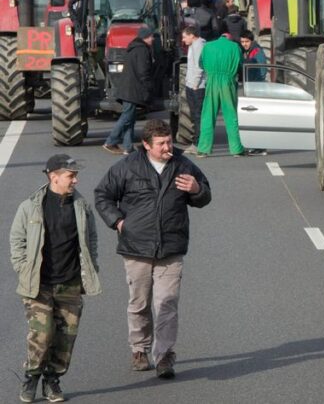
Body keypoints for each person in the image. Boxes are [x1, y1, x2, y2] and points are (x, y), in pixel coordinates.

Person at [94, 120, 211, 379]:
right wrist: (118, 222)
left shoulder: (184, 165)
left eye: (169, 141)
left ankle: (164, 356)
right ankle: (139, 349)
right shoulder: (127, 167)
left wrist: (196, 190)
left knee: (167, 304)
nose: (167, 147)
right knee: (139, 303)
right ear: (146, 145)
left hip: (171, 249)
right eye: (161, 144)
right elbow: (102, 195)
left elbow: (204, 196)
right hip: (136, 248)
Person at [10, 155, 101, 403]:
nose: (75, 180)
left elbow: (91, 240)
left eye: (75, 175)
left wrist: (91, 267)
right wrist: (23, 269)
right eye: (71, 175)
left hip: (70, 283)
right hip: (39, 285)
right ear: (54, 177)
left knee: (65, 338)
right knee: (42, 334)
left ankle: (53, 380)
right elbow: (17, 242)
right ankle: (31, 376)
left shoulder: (81, 206)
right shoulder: (30, 207)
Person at [197, 34, 266, 157]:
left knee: (207, 115)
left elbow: (200, 64)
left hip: (212, 81)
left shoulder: (207, 46)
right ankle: (236, 149)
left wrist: (211, 71)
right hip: (227, 82)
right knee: (231, 116)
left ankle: (203, 149)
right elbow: (240, 64)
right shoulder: (234, 47)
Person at [103, 26, 154, 155]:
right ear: (145, 37)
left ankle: (128, 147)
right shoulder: (142, 50)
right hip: (133, 89)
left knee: (130, 117)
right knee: (127, 116)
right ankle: (111, 141)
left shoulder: (132, 48)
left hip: (126, 88)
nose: (153, 39)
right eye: (151, 36)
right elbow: (143, 71)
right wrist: (148, 87)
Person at [181, 26, 206, 155]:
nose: (183, 39)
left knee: (198, 116)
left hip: (198, 87)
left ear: (192, 35)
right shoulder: (193, 46)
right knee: (194, 115)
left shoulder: (199, 45)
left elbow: (199, 66)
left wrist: (195, 84)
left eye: (185, 36)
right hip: (191, 85)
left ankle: (199, 144)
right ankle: (196, 143)